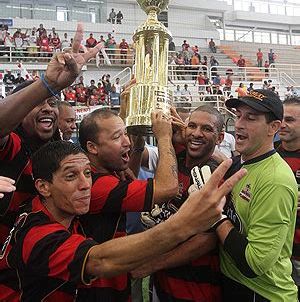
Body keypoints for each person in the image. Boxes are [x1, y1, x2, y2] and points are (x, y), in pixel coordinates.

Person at [2, 140, 246, 301]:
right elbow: (100, 261)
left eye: (87, 174)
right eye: (71, 176)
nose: (86, 184)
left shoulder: (63, 212)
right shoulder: (36, 233)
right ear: (44, 187)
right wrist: (185, 223)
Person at [0, 23, 103, 300]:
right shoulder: (13, 146)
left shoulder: (61, 151)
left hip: (54, 262)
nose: (47, 106)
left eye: (53, 102)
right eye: (38, 103)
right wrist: (48, 84)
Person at [77, 108, 179, 301]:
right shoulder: (95, 185)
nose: (127, 142)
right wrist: (164, 137)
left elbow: (125, 190)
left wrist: (139, 143)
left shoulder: (104, 169)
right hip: (99, 289)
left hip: (112, 281)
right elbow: (168, 188)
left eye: (125, 133)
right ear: (92, 147)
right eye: (117, 137)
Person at [133, 106, 226, 302]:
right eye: (192, 126)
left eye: (207, 129)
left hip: (194, 287)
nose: (196, 133)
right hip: (162, 281)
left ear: (220, 138)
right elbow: (134, 161)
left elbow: (206, 240)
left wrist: (154, 264)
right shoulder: (175, 159)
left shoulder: (214, 175)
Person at [217, 89, 298, 301]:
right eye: (238, 115)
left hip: (263, 292)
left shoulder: (275, 180)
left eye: (251, 118)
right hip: (236, 284)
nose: (239, 124)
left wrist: (216, 217)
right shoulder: (239, 162)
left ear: (274, 128)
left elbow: (255, 264)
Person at [276, 97, 300, 297]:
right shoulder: (270, 155)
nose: (282, 124)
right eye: (280, 118)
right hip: (276, 254)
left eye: (290, 120)